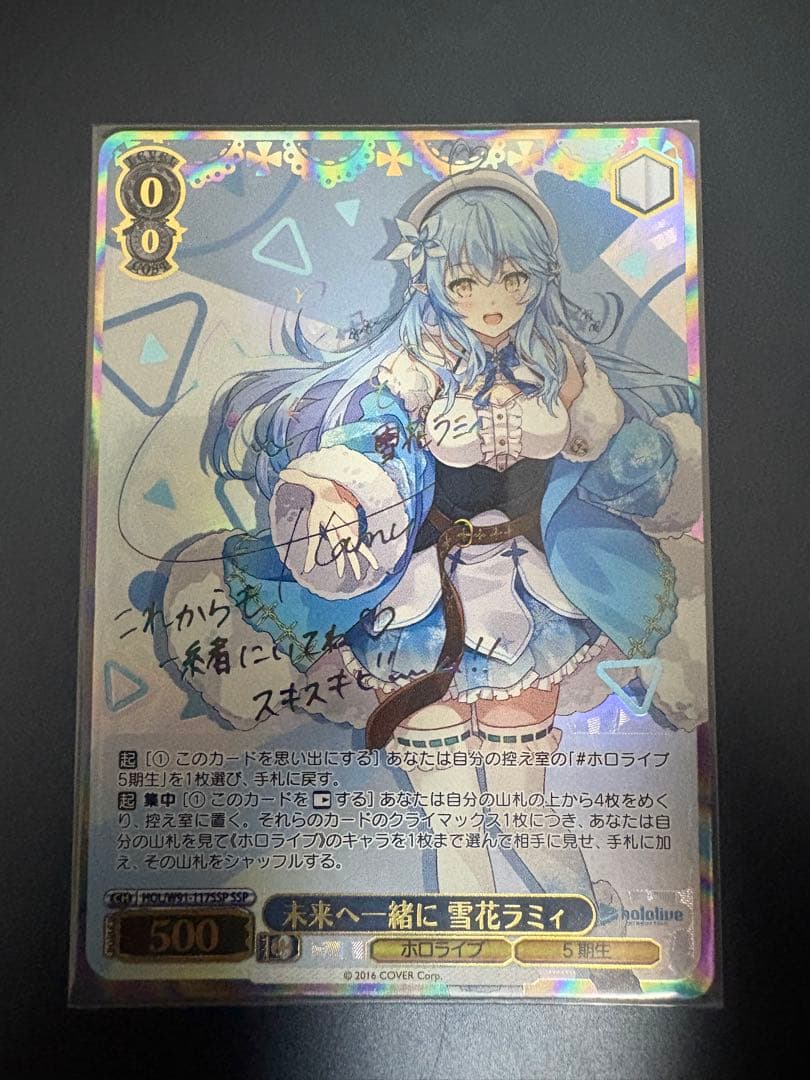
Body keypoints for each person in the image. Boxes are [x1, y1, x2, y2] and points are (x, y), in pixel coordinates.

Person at [199, 168, 704, 899]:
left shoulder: (562, 365)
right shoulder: (413, 367)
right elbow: (371, 444)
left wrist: (611, 441)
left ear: (538, 276)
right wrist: (346, 487)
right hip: (422, 599)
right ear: (430, 278)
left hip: (530, 591)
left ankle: (589, 921)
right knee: (451, 814)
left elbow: (612, 456)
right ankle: (469, 933)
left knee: (522, 803)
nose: (491, 302)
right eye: (465, 282)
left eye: (512, 279)